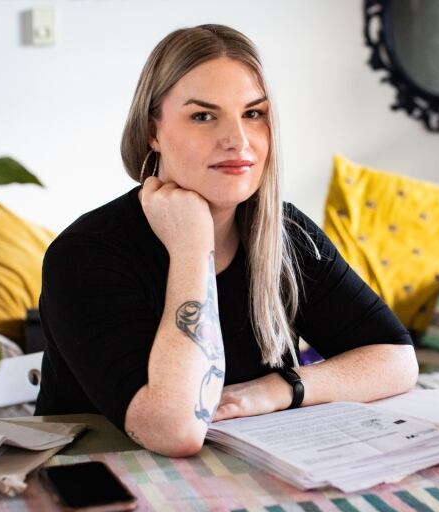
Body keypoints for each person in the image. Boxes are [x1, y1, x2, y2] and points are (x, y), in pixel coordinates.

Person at [34, 24, 418, 458]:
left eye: (253, 114)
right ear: (151, 131)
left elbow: (396, 358)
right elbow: (173, 431)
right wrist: (192, 249)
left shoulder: (284, 233)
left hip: (249, 481)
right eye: (203, 115)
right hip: (103, 484)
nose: (238, 141)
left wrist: (281, 388)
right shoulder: (84, 255)